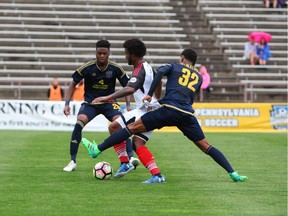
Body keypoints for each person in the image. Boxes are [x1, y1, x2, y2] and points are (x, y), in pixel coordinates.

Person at [82, 48, 248, 183]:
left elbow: (159, 73)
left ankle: (97, 149)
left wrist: (150, 94)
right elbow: (191, 97)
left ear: (182, 58)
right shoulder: (198, 76)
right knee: (206, 145)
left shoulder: (174, 66)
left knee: (131, 128)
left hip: (168, 109)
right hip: (186, 114)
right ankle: (233, 173)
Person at [82, 38, 163, 181]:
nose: (125, 56)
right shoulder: (148, 67)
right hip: (151, 111)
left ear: (132, 54)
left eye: (126, 53)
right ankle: (156, 175)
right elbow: (159, 80)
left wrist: (107, 97)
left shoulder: (140, 70)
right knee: (137, 144)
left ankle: (105, 153)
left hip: (144, 112)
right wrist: (155, 97)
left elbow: (130, 88)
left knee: (114, 128)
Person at [63, 39, 137, 172]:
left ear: (109, 53)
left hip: (109, 103)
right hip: (90, 104)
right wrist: (67, 104)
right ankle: (72, 161)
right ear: (96, 53)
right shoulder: (87, 67)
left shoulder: (115, 68)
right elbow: (73, 84)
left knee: (120, 125)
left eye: (104, 53)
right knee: (79, 124)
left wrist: (128, 104)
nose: (102, 56)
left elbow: (128, 87)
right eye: (99, 53)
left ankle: (130, 158)